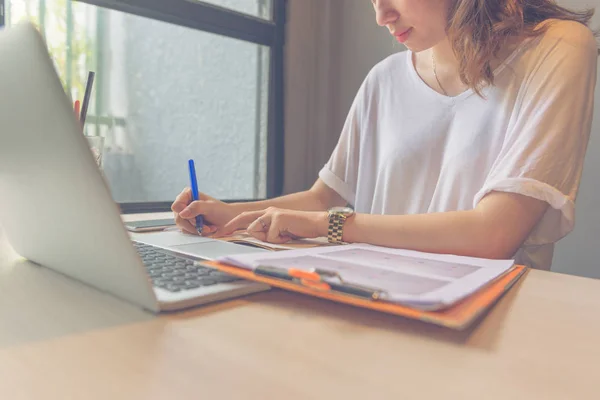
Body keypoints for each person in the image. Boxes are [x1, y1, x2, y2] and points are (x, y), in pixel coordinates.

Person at [172, 0, 598, 270]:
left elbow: (493, 235)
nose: (381, 15)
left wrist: (331, 226)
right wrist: (233, 215)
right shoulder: (385, 78)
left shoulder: (559, 47)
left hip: (490, 320)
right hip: (371, 298)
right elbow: (322, 198)